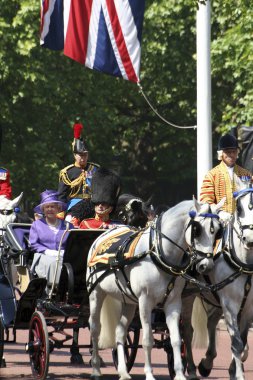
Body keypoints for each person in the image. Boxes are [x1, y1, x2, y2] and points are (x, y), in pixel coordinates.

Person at [200, 133, 252, 221]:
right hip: (219, 221)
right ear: (221, 154)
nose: (231, 154)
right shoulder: (211, 175)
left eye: (234, 151)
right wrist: (219, 212)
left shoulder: (246, 174)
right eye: (228, 152)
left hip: (243, 222)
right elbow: (206, 200)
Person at [29, 190, 72, 294]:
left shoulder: (68, 226)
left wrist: (64, 252)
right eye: (46, 207)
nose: (49, 209)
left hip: (64, 257)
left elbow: (73, 243)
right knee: (54, 263)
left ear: (58, 209)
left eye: (52, 206)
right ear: (43, 210)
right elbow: (32, 244)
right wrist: (47, 252)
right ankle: (54, 291)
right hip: (42, 257)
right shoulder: (37, 224)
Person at [57, 119, 99, 221]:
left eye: (85, 155)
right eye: (80, 155)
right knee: (69, 221)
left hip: (94, 206)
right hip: (74, 207)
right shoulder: (67, 172)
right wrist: (61, 213)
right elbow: (62, 195)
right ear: (75, 155)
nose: (83, 158)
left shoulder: (95, 169)